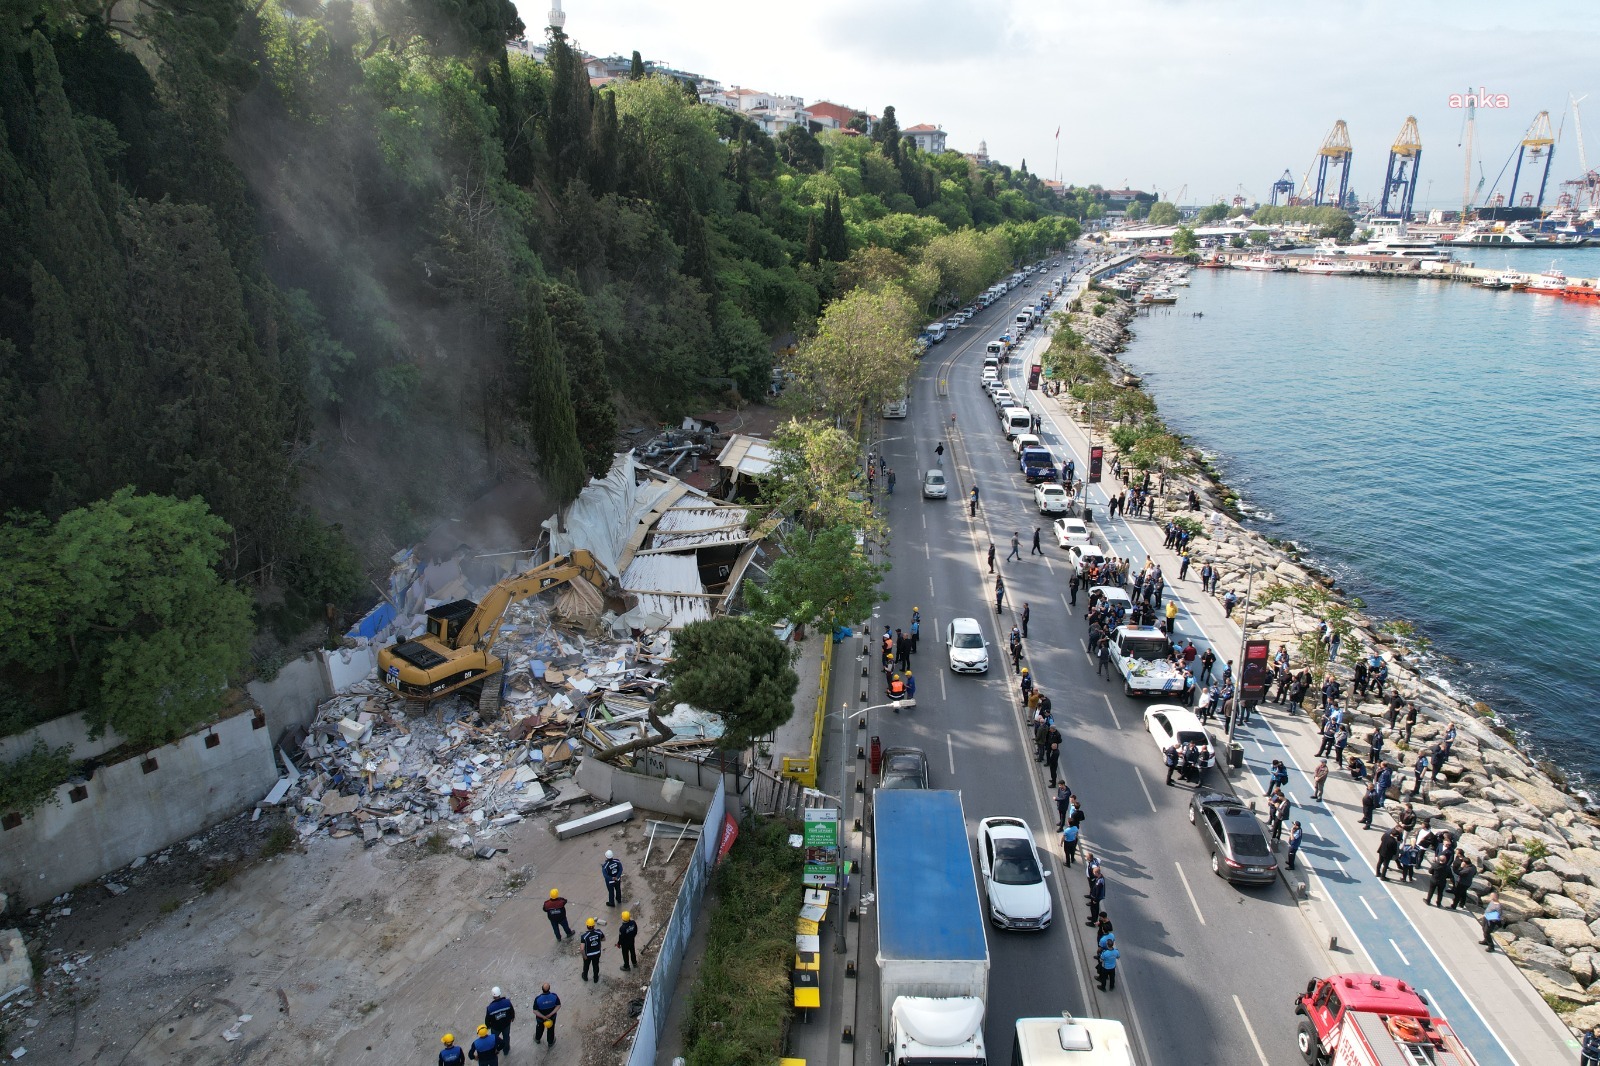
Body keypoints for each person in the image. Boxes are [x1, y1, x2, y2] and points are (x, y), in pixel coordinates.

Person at [485, 987, 516, 1055]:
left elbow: (487, 1019)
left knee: (494, 1039)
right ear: (499, 994)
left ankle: (495, 1050)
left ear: (493, 996)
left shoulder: (490, 1008)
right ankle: (506, 1050)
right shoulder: (507, 1002)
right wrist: (512, 1017)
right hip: (506, 1025)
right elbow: (512, 1011)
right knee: (506, 1037)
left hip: (495, 1028)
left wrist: (488, 1026)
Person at [580, 917, 606, 982]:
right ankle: (596, 978)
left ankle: (585, 977)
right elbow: (603, 939)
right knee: (596, 966)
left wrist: (584, 956)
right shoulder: (599, 932)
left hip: (588, 955)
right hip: (597, 953)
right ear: (594, 925)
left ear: (587, 926)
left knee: (586, 966)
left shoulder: (584, 936)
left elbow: (582, 949)